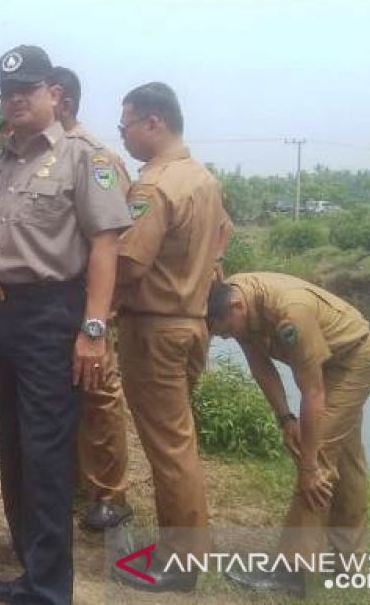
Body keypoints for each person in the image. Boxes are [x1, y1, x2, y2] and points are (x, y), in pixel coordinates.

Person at [0, 45, 132, 605]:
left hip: (53, 316)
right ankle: (30, 568)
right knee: (11, 446)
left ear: (53, 93)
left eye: (26, 90)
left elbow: (105, 246)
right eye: (6, 93)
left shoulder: (85, 157)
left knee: (48, 453)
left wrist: (93, 330)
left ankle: (51, 589)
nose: (15, 101)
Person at [110, 82, 227, 593]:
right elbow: (222, 242)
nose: (124, 135)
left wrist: (91, 300)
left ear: (153, 122)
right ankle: (183, 549)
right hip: (192, 322)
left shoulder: (154, 186)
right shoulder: (203, 178)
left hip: (155, 326)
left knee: (169, 450)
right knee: (179, 442)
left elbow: (129, 261)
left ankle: (180, 561)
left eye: (126, 124)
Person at [208, 272, 370, 597]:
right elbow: (260, 365)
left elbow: (313, 392)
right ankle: (350, 562)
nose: (227, 337)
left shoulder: (291, 314)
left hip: (354, 361)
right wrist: (284, 418)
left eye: (227, 331)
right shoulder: (237, 298)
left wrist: (306, 466)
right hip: (330, 363)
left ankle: (290, 572)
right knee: (345, 459)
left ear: (236, 306)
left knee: (317, 457)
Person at [47, 66, 135, 533]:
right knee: (65, 396)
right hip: (51, 303)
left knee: (99, 395)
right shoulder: (44, 155)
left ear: (60, 102)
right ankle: (79, 482)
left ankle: (110, 492)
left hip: (89, 302)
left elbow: (115, 239)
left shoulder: (97, 158)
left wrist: (99, 315)